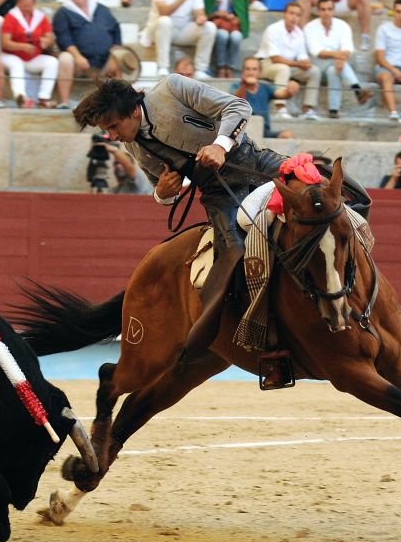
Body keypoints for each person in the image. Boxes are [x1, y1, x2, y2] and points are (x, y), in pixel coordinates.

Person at [71, 75, 286, 364]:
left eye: (113, 127)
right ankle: (259, 339)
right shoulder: (133, 145)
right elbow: (161, 187)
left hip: (256, 163)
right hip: (218, 195)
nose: (113, 136)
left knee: (341, 193)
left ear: (134, 110)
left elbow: (238, 107)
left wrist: (220, 146)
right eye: (106, 130)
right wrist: (163, 193)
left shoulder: (172, 89)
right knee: (233, 257)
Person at [143, 0, 216, 78]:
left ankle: (200, 69)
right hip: (159, 30)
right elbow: (164, 11)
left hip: (183, 30)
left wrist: (200, 18)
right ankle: (163, 67)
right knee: (165, 21)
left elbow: (199, 11)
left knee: (210, 27)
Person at [54, 0, 122, 107]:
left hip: (104, 60)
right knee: (65, 58)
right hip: (79, 62)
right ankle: (64, 101)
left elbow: (116, 28)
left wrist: (115, 49)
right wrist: (77, 56)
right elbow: (64, 38)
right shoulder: (63, 12)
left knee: (121, 58)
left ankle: (118, 105)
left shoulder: (102, 9)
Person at [304, 0, 373, 118]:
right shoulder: (310, 27)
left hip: (336, 65)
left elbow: (348, 48)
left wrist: (340, 58)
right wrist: (338, 57)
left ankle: (333, 110)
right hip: (317, 64)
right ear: (319, 11)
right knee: (337, 65)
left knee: (333, 70)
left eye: (329, 9)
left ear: (333, 10)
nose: (326, 13)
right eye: (323, 9)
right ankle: (357, 89)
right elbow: (316, 51)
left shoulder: (342, 26)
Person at [256, 1, 321, 120]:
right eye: (291, 13)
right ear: (284, 14)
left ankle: (308, 109)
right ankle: (280, 108)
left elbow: (302, 55)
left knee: (314, 71)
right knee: (283, 69)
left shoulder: (299, 33)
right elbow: (275, 58)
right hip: (266, 64)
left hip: (289, 65)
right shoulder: (273, 29)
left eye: (297, 15)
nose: (294, 17)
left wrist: (306, 63)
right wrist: (298, 63)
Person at [0, 0, 59, 107]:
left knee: (52, 62)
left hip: (32, 58)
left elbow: (50, 37)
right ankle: (21, 97)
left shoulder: (40, 17)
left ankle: (44, 98)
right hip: (10, 56)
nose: (28, 1)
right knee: (16, 64)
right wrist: (22, 46)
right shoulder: (11, 17)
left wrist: (46, 41)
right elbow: (5, 43)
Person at [204, 0, 249, 79]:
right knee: (222, 35)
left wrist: (235, 19)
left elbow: (243, 16)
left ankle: (231, 66)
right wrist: (217, 14)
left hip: (232, 26)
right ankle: (221, 66)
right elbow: (205, 15)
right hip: (218, 26)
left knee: (236, 37)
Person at [232, 56, 295, 138]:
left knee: (288, 135)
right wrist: (244, 85)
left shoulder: (265, 87)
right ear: (243, 71)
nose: (251, 72)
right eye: (248, 69)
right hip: (241, 130)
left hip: (264, 131)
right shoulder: (236, 86)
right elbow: (234, 101)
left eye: (254, 69)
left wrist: (290, 90)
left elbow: (282, 94)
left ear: (260, 72)